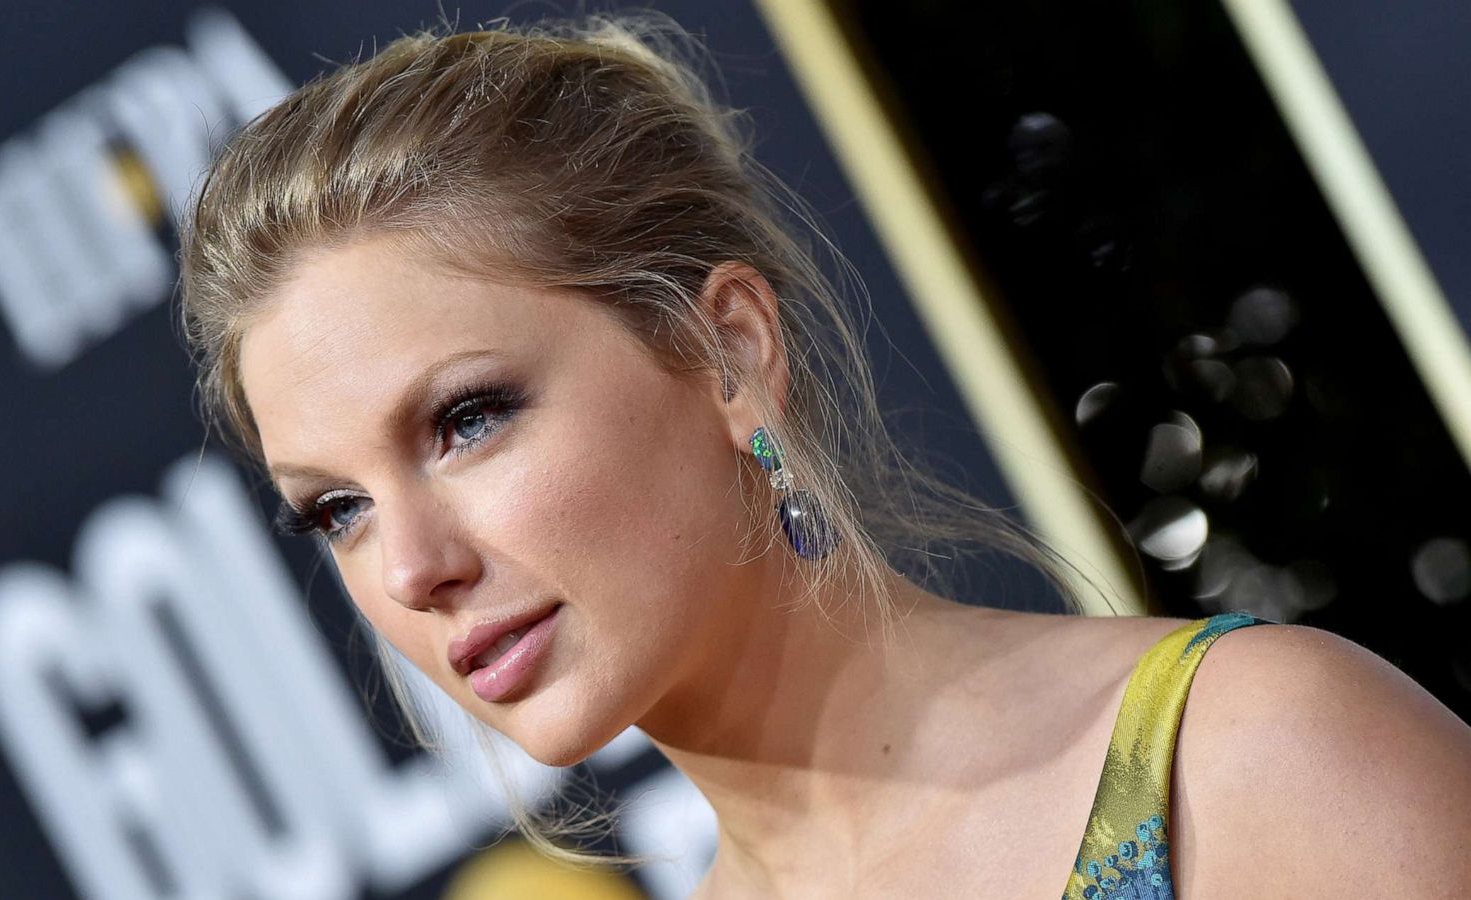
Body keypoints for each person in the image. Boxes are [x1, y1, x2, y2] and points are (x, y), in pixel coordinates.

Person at [178, 15, 1471, 899]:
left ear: (726, 350)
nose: (411, 567)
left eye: (467, 421)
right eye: (335, 510)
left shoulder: (1251, 763)